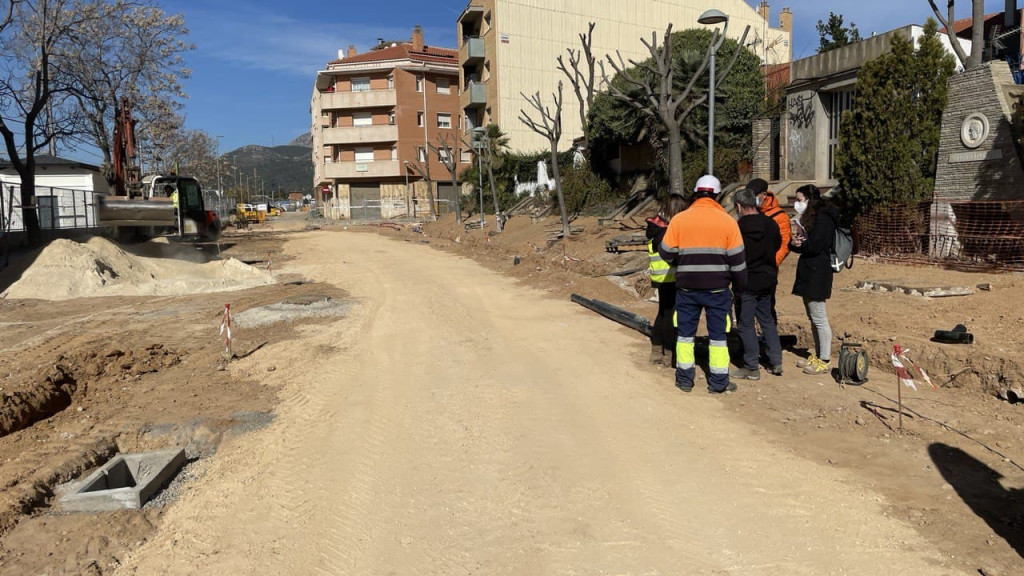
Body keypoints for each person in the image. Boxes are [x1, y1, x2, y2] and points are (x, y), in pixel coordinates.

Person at [660, 175, 746, 394]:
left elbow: (665, 251)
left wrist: (682, 260)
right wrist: (739, 288)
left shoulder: (680, 220)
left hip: (687, 288)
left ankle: (684, 380)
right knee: (718, 337)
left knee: (685, 335)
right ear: (716, 196)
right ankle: (718, 383)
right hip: (717, 289)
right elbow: (737, 261)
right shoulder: (728, 221)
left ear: (696, 194)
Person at [729, 188, 783, 380]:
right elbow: (778, 244)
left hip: (746, 280)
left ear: (738, 206)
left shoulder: (737, 227)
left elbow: (733, 253)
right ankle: (776, 361)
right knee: (767, 319)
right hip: (768, 277)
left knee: (745, 324)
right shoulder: (771, 224)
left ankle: (751, 366)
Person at [789, 184, 839, 375]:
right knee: (812, 316)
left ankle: (825, 360)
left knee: (819, 317)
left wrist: (800, 244)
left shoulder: (823, 218)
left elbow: (816, 245)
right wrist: (795, 243)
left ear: (810, 200)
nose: (796, 204)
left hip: (818, 271)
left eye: (800, 200)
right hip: (810, 270)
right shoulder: (811, 218)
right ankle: (818, 355)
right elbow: (807, 245)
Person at [645, 193, 688, 366]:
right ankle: (669, 352)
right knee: (671, 315)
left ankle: (656, 349)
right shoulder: (666, 231)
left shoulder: (655, 226)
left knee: (663, 312)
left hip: (660, 277)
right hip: (671, 276)